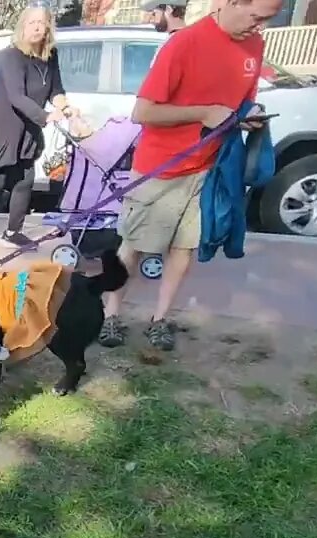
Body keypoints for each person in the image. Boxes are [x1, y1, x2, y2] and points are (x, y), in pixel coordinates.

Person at [100, 0, 280, 351]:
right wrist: (204, 113)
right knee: (134, 246)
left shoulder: (254, 44)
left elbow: (241, 101)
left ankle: (160, 319)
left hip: (209, 169)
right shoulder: (184, 43)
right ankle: (110, 316)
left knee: (184, 249)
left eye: (267, 21)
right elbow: (143, 112)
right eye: (256, 17)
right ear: (229, 3)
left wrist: (248, 115)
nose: (259, 27)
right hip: (160, 168)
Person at [0, 3, 78, 248]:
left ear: (48, 27)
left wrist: (64, 107)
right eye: (32, 22)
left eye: (41, 22)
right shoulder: (10, 57)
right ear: (22, 26)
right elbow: (16, 96)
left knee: (25, 179)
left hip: (29, 128)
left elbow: (56, 89)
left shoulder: (50, 57)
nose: (37, 27)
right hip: (6, 127)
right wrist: (46, 117)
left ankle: (13, 233)